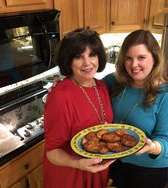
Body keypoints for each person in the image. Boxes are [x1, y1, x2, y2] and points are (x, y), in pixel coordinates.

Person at [103, 29, 168, 188]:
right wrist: (66, 85)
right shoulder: (114, 81)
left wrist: (152, 147)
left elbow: (167, 141)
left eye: (141, 58)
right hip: (117, 160)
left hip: (150, 168)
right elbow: (88, 89)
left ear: (155, 58)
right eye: (129, 58)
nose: (134, 65)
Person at [43, 28, 115, 188]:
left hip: (97, 170)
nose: (87, 63)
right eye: (78, 57)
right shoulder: (60, 96)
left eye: (92, 55)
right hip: (70, 175)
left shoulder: (101, 86)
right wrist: (77, 163)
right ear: (68, 61)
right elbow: (52, 151)